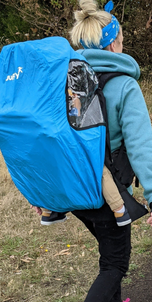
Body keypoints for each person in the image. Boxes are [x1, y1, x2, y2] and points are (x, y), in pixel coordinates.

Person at [43, 0, 152, 302]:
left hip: (74, 191)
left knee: (107, 247)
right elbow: (141, 144)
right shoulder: (124, 85)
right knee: (116, 261)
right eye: (122, 36)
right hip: (108, 193)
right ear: (113, 41)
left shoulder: (67, 81)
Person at [39, 88, 132, 228]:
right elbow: (76, 115)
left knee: (51, 170)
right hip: (70, 139)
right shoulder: (68, 88)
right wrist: (77, 102)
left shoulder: (45, 93)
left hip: (50, 140)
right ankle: (119, 210)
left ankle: (47, 211)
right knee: (99, 169)